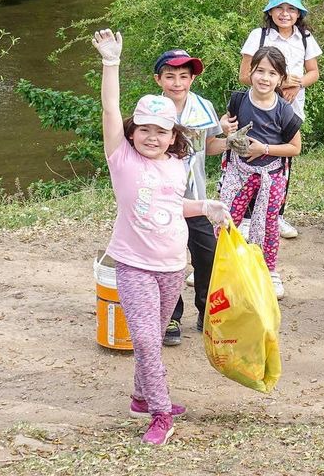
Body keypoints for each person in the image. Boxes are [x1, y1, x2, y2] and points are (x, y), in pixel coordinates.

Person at [91, 29, 228, 445]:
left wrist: (206, 206)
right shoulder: (121, 159)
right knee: (149, 340)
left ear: (174, 135)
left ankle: (140, 395)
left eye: (162, 131)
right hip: (134, 266)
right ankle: (161, 413)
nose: (152, 137)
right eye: (145, 129)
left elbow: (173, 206)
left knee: (151, 338)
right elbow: (110, 108)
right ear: (133, 132)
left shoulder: (176, 164)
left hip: (172, 266)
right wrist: (110, 62)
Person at [152, 49, 236, 345]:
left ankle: (207, 311)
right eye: (170, 76)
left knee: (207, 256)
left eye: (184, 77)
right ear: (158, 79)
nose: (177, 83)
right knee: (168, 260)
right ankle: (171, 316)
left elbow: (209, 145)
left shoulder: (203, 107)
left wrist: (231, 143)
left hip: (197, 199)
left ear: (193, 78)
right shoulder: (151, 109)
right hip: (163, 201)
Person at [239, 0, 322, 240]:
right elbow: (244, 76)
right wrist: (281, 84)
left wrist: (297, 84)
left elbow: (314, 73)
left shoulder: (305, 38)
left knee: (284, 162)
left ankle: (276, 215)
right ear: (270, 11)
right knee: (252, 158)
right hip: (260, 106)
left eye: (291, 9)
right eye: (279, 8)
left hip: (291, 108)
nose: (285, 13)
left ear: (299, 13)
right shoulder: (259, 36)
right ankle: (248, 216)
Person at [220, 46, 302, 299]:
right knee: (225, 219)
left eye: (272, 73)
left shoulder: (285, 111)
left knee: (268, 224)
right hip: (238, 170)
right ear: (251, 72)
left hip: (271, 175)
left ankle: (269, 270)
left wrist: (264, 148)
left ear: (281, 79)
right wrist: (224, 124)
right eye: (260, 71)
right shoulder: (239, 100)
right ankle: (221, 264)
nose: (265, 78)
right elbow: (227, 121)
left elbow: (295, 148)